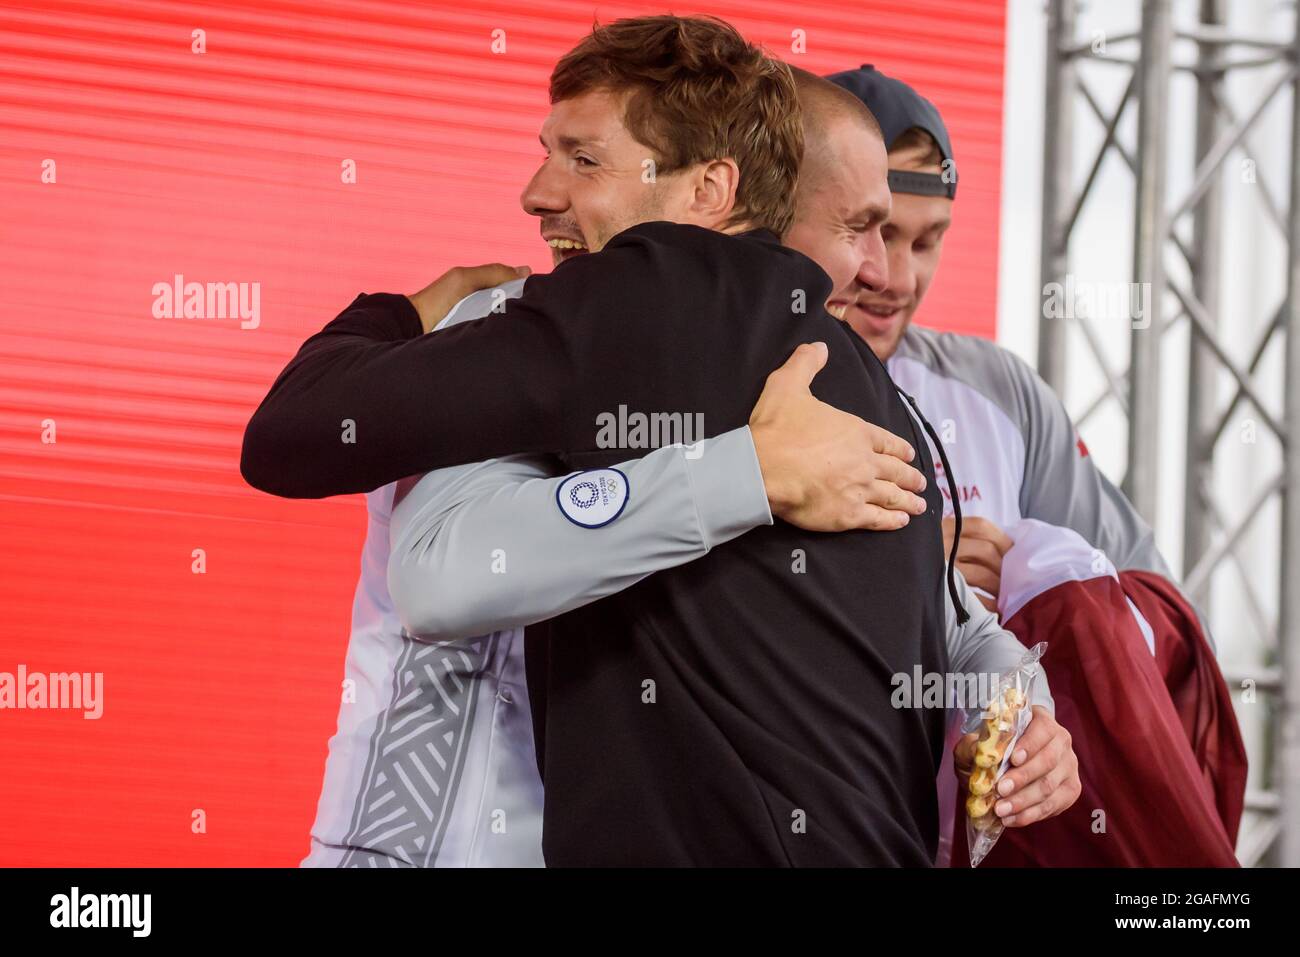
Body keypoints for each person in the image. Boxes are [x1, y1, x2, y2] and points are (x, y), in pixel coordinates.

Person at [242, 16, 1077, 865]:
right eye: (859, 226)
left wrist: (1019, 709)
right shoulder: (541, 325)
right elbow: (434, 572)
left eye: (584, 159)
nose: (875, 271)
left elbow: (954, 623)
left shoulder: (855, 405)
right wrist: (747, 473)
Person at [826, 64, 1246, 866]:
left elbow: (1150, 623)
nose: (899, 279)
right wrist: (911, 558)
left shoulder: (998, 389)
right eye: (874, 233)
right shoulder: (734, 379)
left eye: (929, 239)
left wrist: (1032, 583)